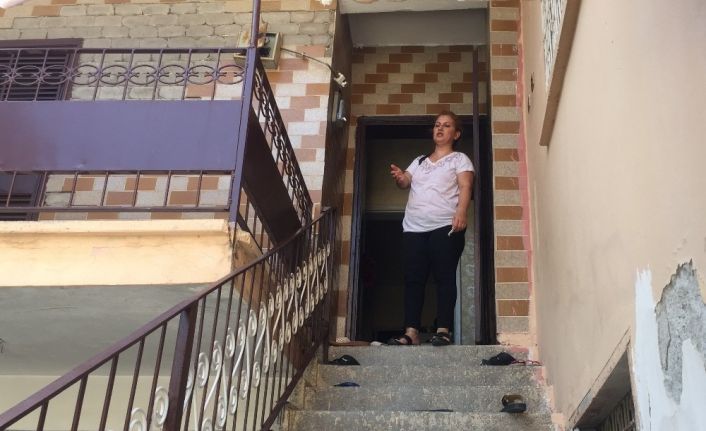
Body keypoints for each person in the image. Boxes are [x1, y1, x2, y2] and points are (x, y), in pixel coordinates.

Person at [388, 111, 475, 346]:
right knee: (413, 280)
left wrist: (461, 212)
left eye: (446, 125)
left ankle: (443, 329)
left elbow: (465, 187)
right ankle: (411, 332)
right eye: (437, 125)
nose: (440, 128)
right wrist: (400, 177)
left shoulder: (460, 159)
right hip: (413, 228)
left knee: (444, 277)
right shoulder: (419, 161)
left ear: (456, 134)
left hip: (445, 226)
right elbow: (405, 182)